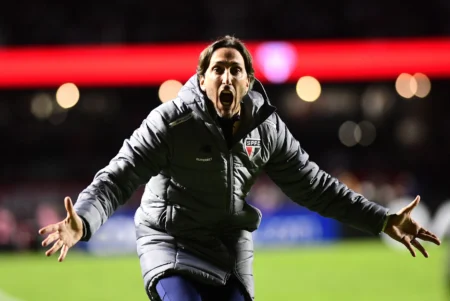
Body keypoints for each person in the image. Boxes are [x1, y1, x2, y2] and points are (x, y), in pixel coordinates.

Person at [38, 35, 441, 301]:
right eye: (218, 69)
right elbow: (119, 175)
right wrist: (83, 222)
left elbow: (316, 187)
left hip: (229, 250)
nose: (226, 76)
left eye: (235, 70)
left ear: (248, 82)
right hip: (170, 241)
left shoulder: (266, 130)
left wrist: (382, 219)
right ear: (201, 79)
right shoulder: (171, 122)